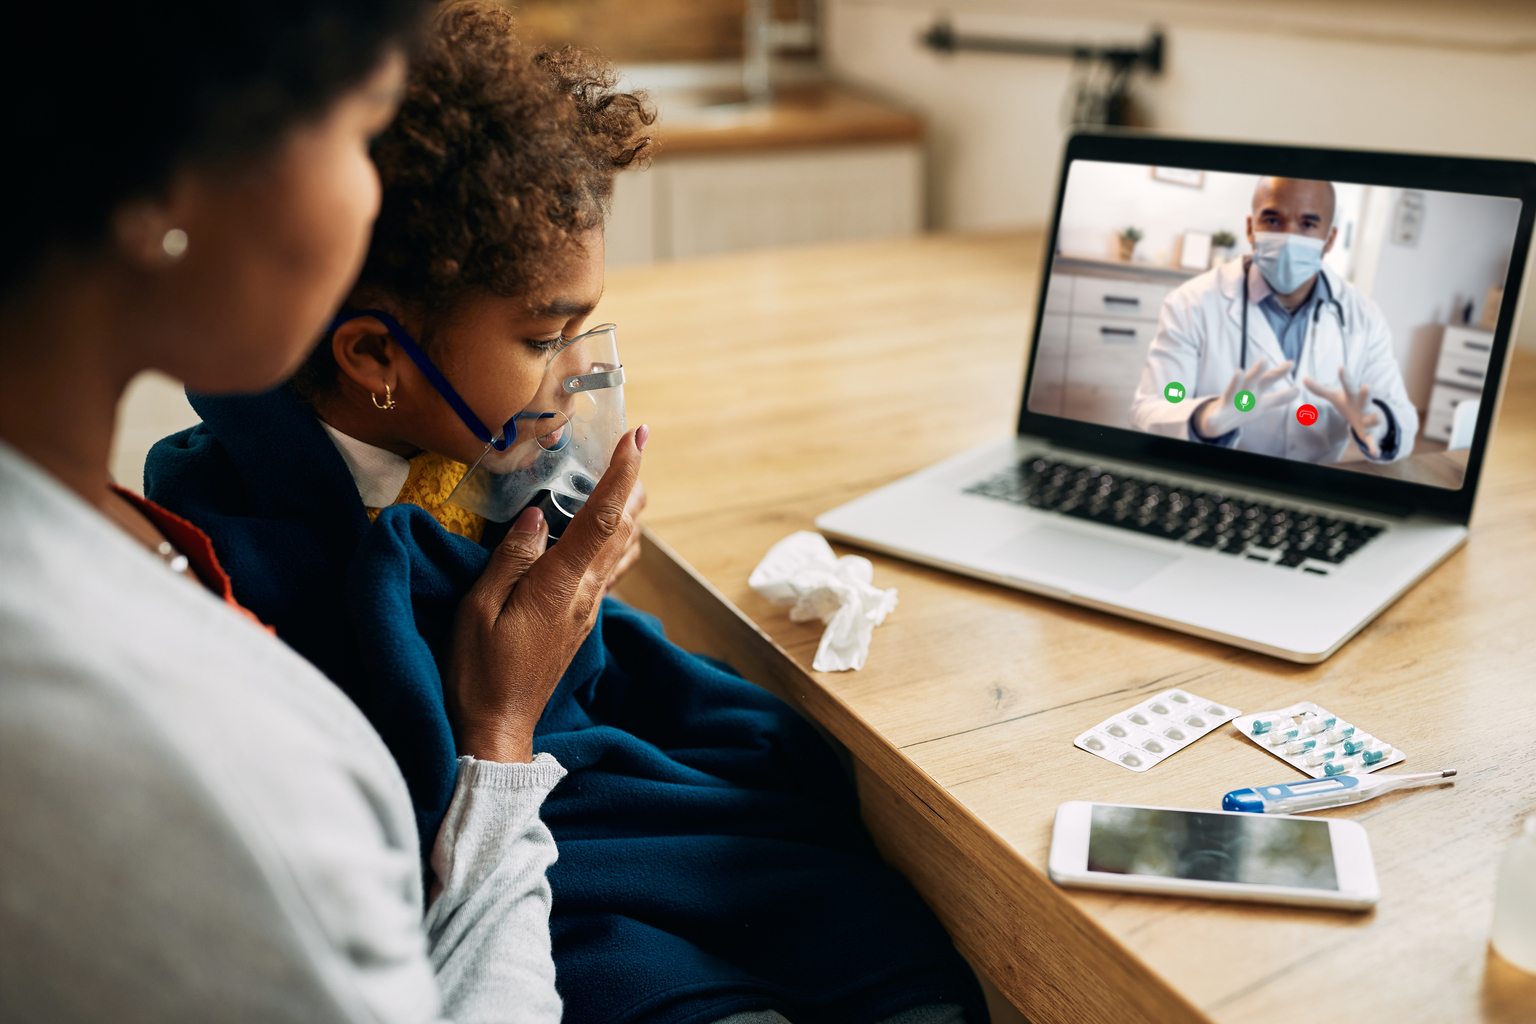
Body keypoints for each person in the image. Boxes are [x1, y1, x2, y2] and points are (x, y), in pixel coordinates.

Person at [142, 5, 989, 1024]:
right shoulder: (237, 548)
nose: (582, 368)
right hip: (523, 886)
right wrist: (507, 695)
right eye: (547, 335)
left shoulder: (469, 452)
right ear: (372, 360)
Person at [0, 4, 644, 1021]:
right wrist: (499, 739)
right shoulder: (195, 755)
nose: (369, 193)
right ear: (168, 176)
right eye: (359, 127)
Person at [1130, 176, 1418, 464]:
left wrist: (1378, 422)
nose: (1288, 238)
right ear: (1250, 229)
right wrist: (1206, 419)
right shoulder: (1190, 303)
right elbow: (1152, 406)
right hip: (1219, 474)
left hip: (1315, 483)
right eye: (1272, 220)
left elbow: (1401, 415)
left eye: (1307, 224)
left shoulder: (1364, 316)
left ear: (1329, 239)